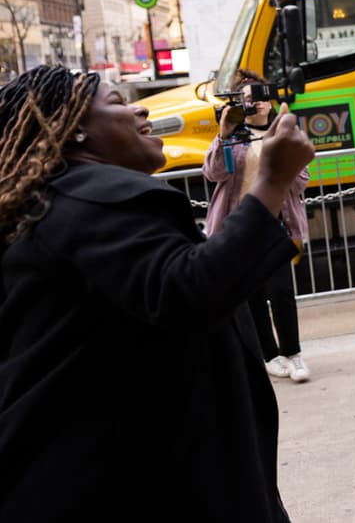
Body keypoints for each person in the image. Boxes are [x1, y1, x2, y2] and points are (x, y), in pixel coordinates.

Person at [0, 65, 314, 521]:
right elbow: (188, 291)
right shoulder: (93, 196)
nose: (140, 107)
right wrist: (272, 180)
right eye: (116, 102)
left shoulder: (48, 203)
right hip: (130, 482)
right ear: (75, 132)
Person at [204, 68, 311, 383]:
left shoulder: (283, 132)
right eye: (250, 99)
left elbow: (301, 179)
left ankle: (293, 353)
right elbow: (213, 173)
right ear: (240, 104)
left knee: (281, 290)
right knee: (252, 293)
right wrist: (223, 133)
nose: (259, 104)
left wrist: (286, 142)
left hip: (277, 222)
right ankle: (270, 355)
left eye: (263, 97)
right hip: (240, 224)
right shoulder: (233, 138)